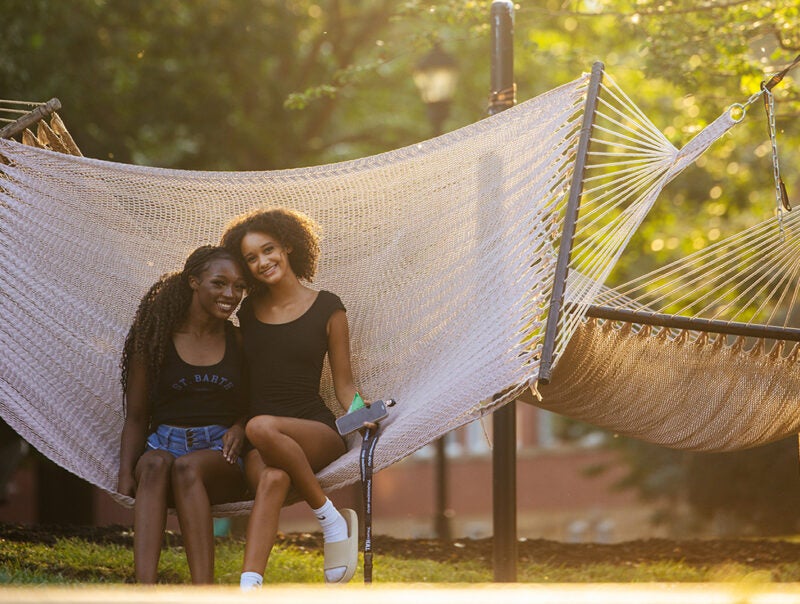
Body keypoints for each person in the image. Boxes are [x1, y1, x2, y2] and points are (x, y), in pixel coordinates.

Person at [221, 207, 361, 590]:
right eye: (251, 258)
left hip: (312, 428)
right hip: (259, 440)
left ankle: (329, 521)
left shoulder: (329, 307)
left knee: (261, 425)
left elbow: (344, 386)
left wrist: (363, 413)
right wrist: (238, 424)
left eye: (268, 250)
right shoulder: (247, 312)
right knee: (272, 478)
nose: (263, 262)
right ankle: (249, 588)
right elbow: (244, 381)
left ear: (287, 246)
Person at [117, 245, 249, 584]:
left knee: (187, 468)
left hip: (220, 453)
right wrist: (124, 473)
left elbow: (258, 401)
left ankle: (203, 589)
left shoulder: (239, 340)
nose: (230, 294)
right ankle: (144, 588)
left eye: (238, 287)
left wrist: (240, 425)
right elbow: (136, 416)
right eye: (219, 283)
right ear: (193, 282)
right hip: (164, 443)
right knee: (156, 464)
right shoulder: (154, 340)